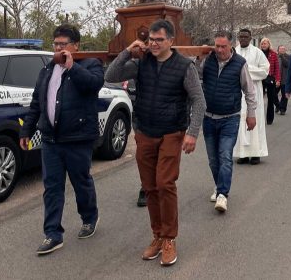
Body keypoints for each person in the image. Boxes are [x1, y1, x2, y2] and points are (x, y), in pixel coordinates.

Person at [104, 19, 206, 267]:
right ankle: (157, 236)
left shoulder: (184, 66)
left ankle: (170, 238)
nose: (154, 44)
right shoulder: (141, 63)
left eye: (159, 40)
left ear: (171, 40)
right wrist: (129, 50)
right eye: (151, 39)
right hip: (145, 132)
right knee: (149, 187)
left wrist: (192, 133)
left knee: (165, 183)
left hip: (172, 132)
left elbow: (198, 101)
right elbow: (111, 75)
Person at [19, 24, 104, 256]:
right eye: (55, 44)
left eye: (63, 44)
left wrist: (72, 66)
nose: (58, 48)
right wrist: (26, 131)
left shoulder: (90, 65)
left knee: (81, 182)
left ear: (75, 46)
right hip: (51, 140)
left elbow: (94, 85)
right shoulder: (47, 70)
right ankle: (53, 234)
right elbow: (37, 102)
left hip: (78, 139)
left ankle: (89, 217)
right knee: (52, 187)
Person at [201, 31, 257, 213]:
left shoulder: (239, 64)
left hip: (230, 119)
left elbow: (249, 91)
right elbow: (195, 76)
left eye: (223, 46)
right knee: (212, 159)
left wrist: (251, 114)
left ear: (230, 45)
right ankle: (218, 186)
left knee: (225, 155)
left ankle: (223, 194)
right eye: (217, 46)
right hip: (208, 117)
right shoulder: (208, 61)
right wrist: (197, 58)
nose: (219, 49)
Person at [233, 29, 269, 165]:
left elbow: (265, 70)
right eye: (241, 36)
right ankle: (242, 154)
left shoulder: (257, 52)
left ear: (250, 37)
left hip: (254, 91)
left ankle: (256, 153)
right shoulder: (234, 52)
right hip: (239, 91)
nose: (243, 39)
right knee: (240, 121)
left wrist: (247, 72)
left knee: (255, 120)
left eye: (245, 37)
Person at [259, 38, 280, 125]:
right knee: (259, 99)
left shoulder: (273, 54)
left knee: (271, 99)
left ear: (269, 44)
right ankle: (259, 118)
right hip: (260, 78)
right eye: (262, 43)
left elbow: (277, 68)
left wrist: (278, 79)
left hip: (270, 77)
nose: (264, 45)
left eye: (265, 43)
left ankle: (269, 119)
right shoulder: (258, 53)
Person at [276, 45, 290, 115]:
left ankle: (282, 109)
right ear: (278, 50)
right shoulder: (275, 57)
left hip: (285, 79)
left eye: (283, 49)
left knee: (284, 96)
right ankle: (278, 105)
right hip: (277, 79)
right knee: (273, 94)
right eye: (280, 49)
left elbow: (287, 64)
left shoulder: (288, 57)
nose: (282, 50)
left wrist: (282, 56)